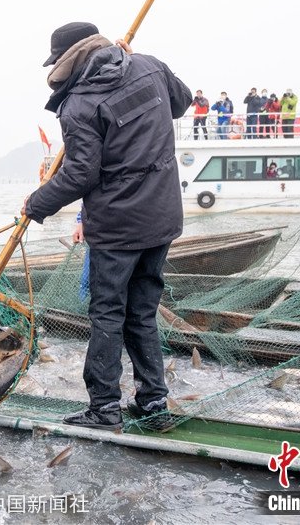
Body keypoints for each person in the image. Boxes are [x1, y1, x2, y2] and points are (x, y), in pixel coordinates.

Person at [24, 22, 192, 431]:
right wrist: (135, 60)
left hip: (118, 227)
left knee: (107, 314)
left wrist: (37, 202)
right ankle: (154, 405)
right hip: (162, 218)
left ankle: (104, 408)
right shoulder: (149, 66)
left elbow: (81, 174)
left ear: (68, 61)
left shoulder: (79, 104)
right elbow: (181, 102)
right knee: (142, 312)